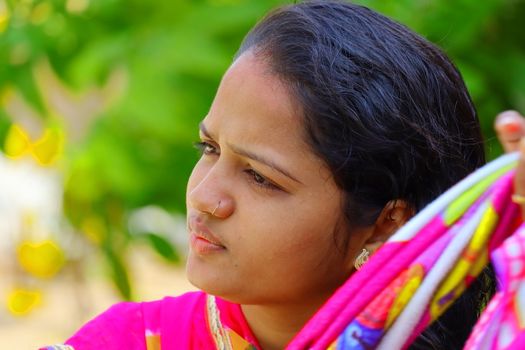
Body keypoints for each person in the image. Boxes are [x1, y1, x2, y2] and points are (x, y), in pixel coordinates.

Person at [41, 1, 525, 349]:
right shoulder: (128, 340)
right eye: (208, 148)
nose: (206, 197)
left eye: (259, 178)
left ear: (385, 222)